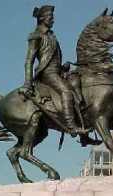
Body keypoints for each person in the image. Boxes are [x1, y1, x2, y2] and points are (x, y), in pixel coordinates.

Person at [22, 5, 85, 134]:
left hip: (57, 71)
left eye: (52, 17)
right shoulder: (36, 36)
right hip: (47, 73)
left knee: (77, 80)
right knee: (66, 91)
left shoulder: (51, 35)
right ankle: (71, 126)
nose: (53, 20)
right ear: (42, 18)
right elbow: (29, 60)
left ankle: (84, 125)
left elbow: (52, 58)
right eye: (50, 17)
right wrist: (27, 83)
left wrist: (62, 67)